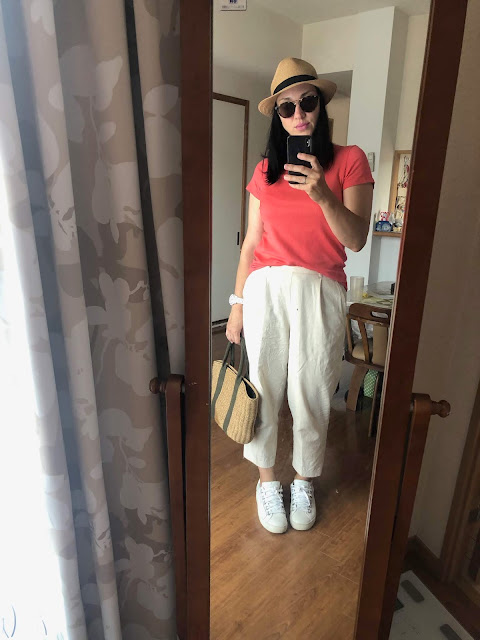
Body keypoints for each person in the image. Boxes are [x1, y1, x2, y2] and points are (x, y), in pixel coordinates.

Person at [226, 57, 374, 534]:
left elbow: (356, 238)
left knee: (311, 390)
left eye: (307, 102)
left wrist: (322, 194)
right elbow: (251, 242)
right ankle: (268, 482)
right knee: (264, 387)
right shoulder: (265, 170)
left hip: (321, 288)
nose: (298, 114)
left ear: (320, 105)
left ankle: (305, 480)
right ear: (278, 116)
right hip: (265, 287)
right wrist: (236, 305)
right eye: (286, 107)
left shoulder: (350, 160)